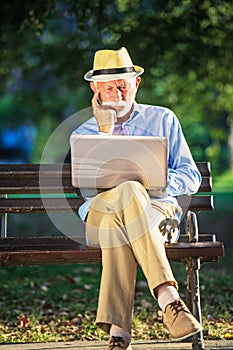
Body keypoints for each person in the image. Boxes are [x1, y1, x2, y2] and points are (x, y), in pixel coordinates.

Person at [72, 47, 202, 350]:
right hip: (101, 213)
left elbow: (191, 175)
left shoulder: (163, 119)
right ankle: (170, 301)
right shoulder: (84, 132)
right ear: (94, 88)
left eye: (123, 85)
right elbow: (89, 191)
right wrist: (104, 133)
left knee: (130, 199)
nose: (117, 93)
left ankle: (119, 332)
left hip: (157, 209)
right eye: (108, 87)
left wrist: (155, 182)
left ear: (137, 84)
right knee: (128, 192)